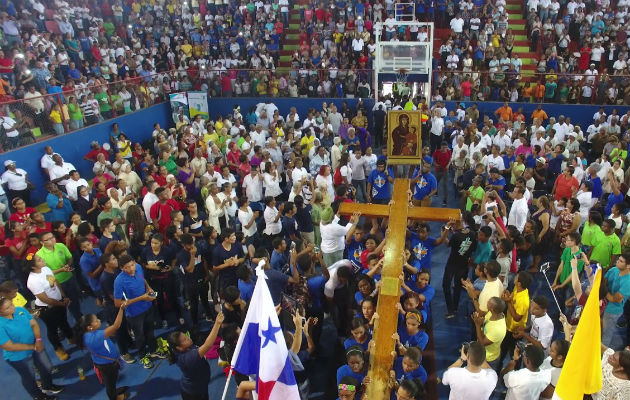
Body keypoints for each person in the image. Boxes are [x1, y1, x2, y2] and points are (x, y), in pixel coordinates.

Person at [0, 297, 64, 400]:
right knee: (29, 377)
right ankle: (38, 396)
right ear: (0, 311)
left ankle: (47, 386)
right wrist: (33, 347)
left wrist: (38, 340)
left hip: (36, 346)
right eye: (8, 308)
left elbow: (34, 324)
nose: (13, 308)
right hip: (19, 357)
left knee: (47, 367)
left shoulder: (20, 310)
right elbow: (8, 346)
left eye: (11, 304)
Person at [113, 254, 165, 369]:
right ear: (121, 268)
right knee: (140, 336)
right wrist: (142, 298)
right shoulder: (119, 281)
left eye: (132, 265)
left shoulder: (139, 268)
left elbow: (143, 279)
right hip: (134, 313)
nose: (131, 269)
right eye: (127, 267)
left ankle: (153, 350)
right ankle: (143, 356)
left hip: (147, 307)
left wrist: (148, 288)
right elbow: (117, 303)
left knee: (150, 331)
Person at [75, 303, 129, 400]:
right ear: (89, 327)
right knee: (110, 383)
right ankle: (114, 397)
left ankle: (113, 391)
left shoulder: (88, 335)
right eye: (96, 321)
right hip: (108, 365)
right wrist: (121, 309)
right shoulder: (96, 337)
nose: (99, 321)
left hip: (104, 363)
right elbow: (116, 326)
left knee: (111, 381)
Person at [167, 313, 224, 400]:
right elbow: (208, 345)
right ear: (179, 347)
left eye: (186, 336)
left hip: (200, 387)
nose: (188, 338)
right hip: (194, 394)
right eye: (185, 339)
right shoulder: (187, 358)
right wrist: (217, 324)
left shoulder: (186, 348)